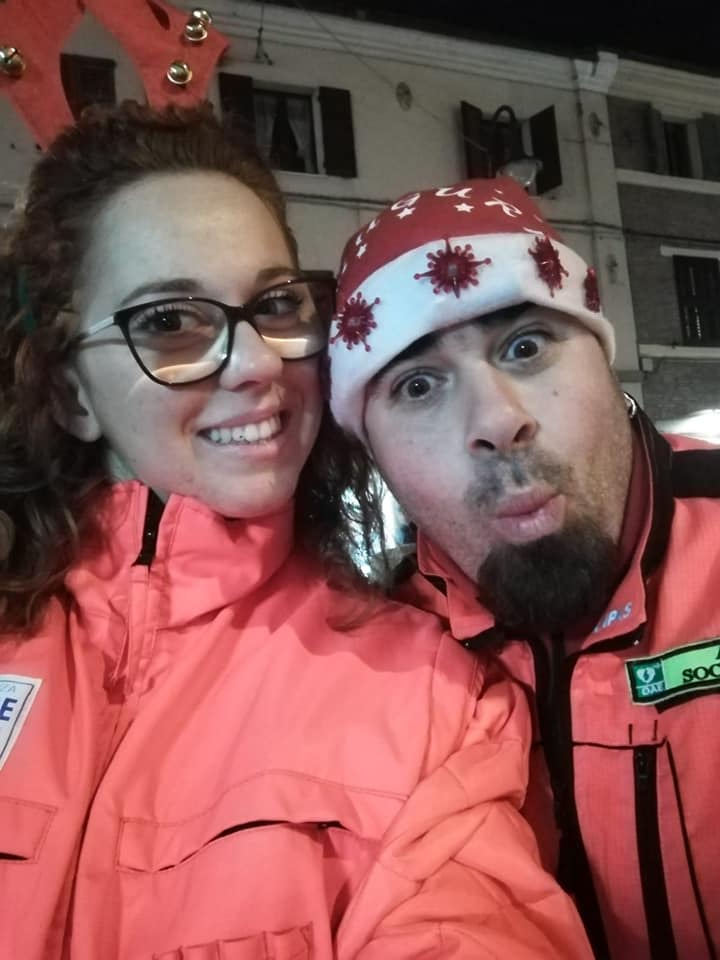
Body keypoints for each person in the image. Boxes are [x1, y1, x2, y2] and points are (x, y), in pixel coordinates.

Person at [0, 104, 593, 959]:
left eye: (276, 305)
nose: (256, 363)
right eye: (168, 322)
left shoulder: (433, 699)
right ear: (70, 394)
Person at [328, 176, 720, 960]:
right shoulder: (372, 663)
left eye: (526, 346)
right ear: (376, 456)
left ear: (604, 359)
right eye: (417, 385)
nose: (498, 420)